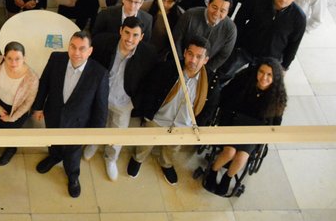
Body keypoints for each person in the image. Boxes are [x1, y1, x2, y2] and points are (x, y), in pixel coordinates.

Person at [32, 31, 109, 198]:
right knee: (53, 143)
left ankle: (73, 177)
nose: (76, 53)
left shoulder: (99, 74)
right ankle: (54, 157)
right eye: (73, 47)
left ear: (90, 51)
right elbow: (44, 83)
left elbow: (101, 109)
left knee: (73, 154)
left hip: (78, 124)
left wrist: (94, 134)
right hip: (53, 115)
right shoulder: (56, 59)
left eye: (82, 49)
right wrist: (38, 107)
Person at [130, 37, 214, 186]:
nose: (193, 60)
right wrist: (148, 114)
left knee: (172, 149)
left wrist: (198, 127)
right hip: (159, 118)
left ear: (206, 60)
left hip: (183, 125)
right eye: (190, 54)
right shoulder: (167, 68)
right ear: (184, 53)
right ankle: (138, 158)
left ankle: (166, 163)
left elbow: (208, 109)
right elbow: (150, 90)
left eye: (199, 56)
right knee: (146, 142)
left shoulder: (211, 82)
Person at [203, 59, 287, 197]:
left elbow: (276, 123)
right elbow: (225, 99)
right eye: (261, 72)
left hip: (254, 130)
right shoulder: (244, 82)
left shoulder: (278, 97)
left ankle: (227, 178)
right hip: (233, 121)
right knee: (229, 152)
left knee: (242, 156)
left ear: (275, 78)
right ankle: (213, 171)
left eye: (269, 75)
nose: (264, 77)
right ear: (257, 71)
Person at [86, 17, 155, 181]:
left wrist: (135, 102)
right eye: (127, 33)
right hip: (101, 97)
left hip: (124, 102)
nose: (130, 39)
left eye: (135, 35)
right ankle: (93, 144)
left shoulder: (149, 54)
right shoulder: (103, 43)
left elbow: (149, 82)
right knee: (97, 123)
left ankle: (110, 159)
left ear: (142, 37)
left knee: (118, 134)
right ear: (120, 31)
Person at [0, 41, 39, 166]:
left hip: (16, 110)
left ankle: (11, 149)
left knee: (12, 132)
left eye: (17, 59)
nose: (13, 63)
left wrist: (12, 117)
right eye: (9, 58)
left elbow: (28, 102)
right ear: (4, 57)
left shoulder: (31, 78)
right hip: (0, 104)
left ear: (24, 58)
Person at [231, 0, 306, 71]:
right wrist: (236, 44)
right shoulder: (257, 0)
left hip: (271, 58)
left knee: (256, 81)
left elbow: (294, 45)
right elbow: (239, 20)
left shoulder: (299, 17)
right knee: (225, 73)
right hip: (245, 48)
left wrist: (284, 67)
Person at [170, 0, 237, 73]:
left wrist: (203, 71)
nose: (217, 13)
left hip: (203, 69)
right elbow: (176, 40)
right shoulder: (190, 15)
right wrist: (180, 63)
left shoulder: (231, 29)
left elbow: (223, 55)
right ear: (208, 4)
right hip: (179, 62)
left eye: (222, 11)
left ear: (227, 13)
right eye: (214, 7)